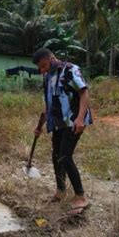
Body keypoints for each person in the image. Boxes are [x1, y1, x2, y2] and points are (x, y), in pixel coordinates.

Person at [32, 48, 92, 215]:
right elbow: (48, 106)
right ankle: (60, 191)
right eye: (40, 68)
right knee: (56, 157)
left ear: (52, 58)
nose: (42, 70)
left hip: (73, 121)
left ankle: (81, 196)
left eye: (44, 65)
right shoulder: (47, 78)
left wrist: (80, 118)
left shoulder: (70, 70)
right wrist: (39, 126)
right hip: (58, 123)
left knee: (65, 156)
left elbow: (84, 92)